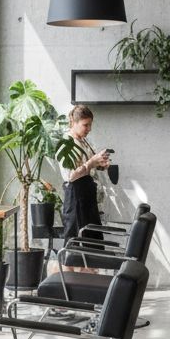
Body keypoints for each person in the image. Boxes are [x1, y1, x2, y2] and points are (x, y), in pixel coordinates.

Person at [60, 104, 111, 243]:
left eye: (90, 125)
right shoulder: (67, 143)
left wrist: (100, 164)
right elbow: (71, 176)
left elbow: (88, 166)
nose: (89, 129)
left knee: (93, 241)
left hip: (87, 196)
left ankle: (93, 258)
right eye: (85, 125)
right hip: (75, 197)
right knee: (74, 242)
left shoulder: (83, 141)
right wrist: (91, 162)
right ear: (74, 123)